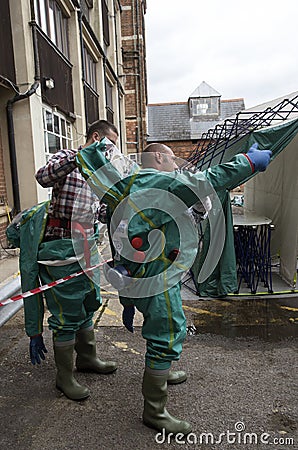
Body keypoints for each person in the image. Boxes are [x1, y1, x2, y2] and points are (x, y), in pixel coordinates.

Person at [76, 139, 272, 433]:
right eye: (172, 160)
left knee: (163, 329)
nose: (177, 166)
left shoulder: (128, 186)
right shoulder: (161, 183)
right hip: (158, 279)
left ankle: (162, 373)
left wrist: (127, 295)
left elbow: (121, 240)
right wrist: (249, 161)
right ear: (158, 158)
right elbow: (209, 180)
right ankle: (154, 411)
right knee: (166, 335)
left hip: (140, 276)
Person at [26, 120, 119, 401]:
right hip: (61, 246)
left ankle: (87, 358)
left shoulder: (101, 173)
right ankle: (63, 377)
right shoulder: (67, 157)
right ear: (96, 138)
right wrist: (80, 157)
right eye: (110, 145)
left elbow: (101, 210)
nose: (112, 152)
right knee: (66, 312)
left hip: (88, 244)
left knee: (88, 302)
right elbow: (43, 177)